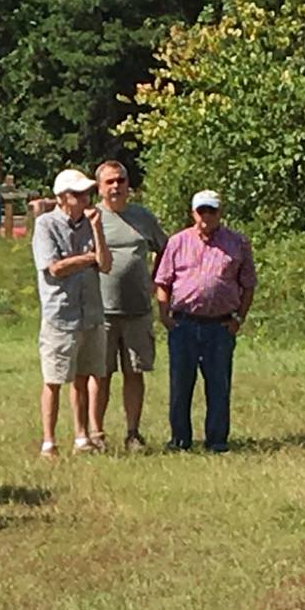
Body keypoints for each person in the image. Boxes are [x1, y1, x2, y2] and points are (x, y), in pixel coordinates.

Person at [154, 190, 256, 453]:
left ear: (220, 213)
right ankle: (179, 440)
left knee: (219, 385)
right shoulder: (177, 242)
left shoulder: (238, 243)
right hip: (184, 324)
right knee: (180, 385)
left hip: (220, 326)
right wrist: (165, 316)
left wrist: (238, 319)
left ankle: (217, 441)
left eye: (212, 211)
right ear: (193, 213)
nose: (206, 216)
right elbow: (163, 281)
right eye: (202, 211)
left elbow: (248, 286)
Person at [87, 161, 168, 452]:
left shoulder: (142, 217)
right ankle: (96, 435)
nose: (116, 187)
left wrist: (156, 282)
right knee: (101, 374)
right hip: (101, 312)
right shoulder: (92, 217)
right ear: (99, 187)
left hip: (138, 311)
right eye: (109, 182)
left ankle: (133, 434)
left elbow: (166, 250)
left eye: (120, 180)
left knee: (135, 373)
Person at [31, 168, 112, 458]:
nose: (85, 198)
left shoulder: (92, 224)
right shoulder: (45, 225)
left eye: (87, 193)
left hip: (91, 312)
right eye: (79, 194)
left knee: (84, 376)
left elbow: (105, 265)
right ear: (63, 198)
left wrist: (99, 231)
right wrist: (86, 259)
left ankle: (82, 437)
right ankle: (49, 442)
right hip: (60, 314)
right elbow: (54, 268)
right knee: (53, 380)